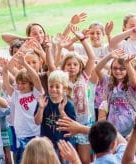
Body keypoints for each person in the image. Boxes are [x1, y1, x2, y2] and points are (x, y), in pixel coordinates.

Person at [47, 24, 95, 164]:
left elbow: (91, 58)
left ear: (80, 66)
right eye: (68, 64)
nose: (72, 67)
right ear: (64, 67)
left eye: (75, 64)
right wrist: (59, 48)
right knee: (70, 158)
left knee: (85, 160)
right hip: (68, 123)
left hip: (84, 122)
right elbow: (52, 67)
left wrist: (83, 39)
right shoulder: (62, 79)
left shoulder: (83, 77)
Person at [2, 52, 44, 164]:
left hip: (36, 133)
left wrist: (25, 63)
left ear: (30, 84)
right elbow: (7, 84)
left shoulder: (36, 93)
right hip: (21, 134)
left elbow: (36, 79)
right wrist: (4, 70)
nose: (20, 86)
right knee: (22, 160)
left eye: (24, 83)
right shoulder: (16, 94)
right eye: (18, 83)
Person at [95, 49, 136, 137]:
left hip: (131, 129)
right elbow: (97, 69)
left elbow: (133, 78)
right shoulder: (108, 82)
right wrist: (109, 56)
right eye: (115, 68)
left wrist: (127, 63)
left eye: (122, 69)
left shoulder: (130, 84)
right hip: (113, 129)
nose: (118, 71)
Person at [34, 70, 76, 157]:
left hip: (64, 145)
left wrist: (62, 111)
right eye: (51, 86)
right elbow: (37, 121)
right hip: (47, 145)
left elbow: (71, 126)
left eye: (57, 87)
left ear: (64, 88)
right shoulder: (44, 101)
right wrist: (41, 108)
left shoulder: (68, 104)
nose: (53, 89)